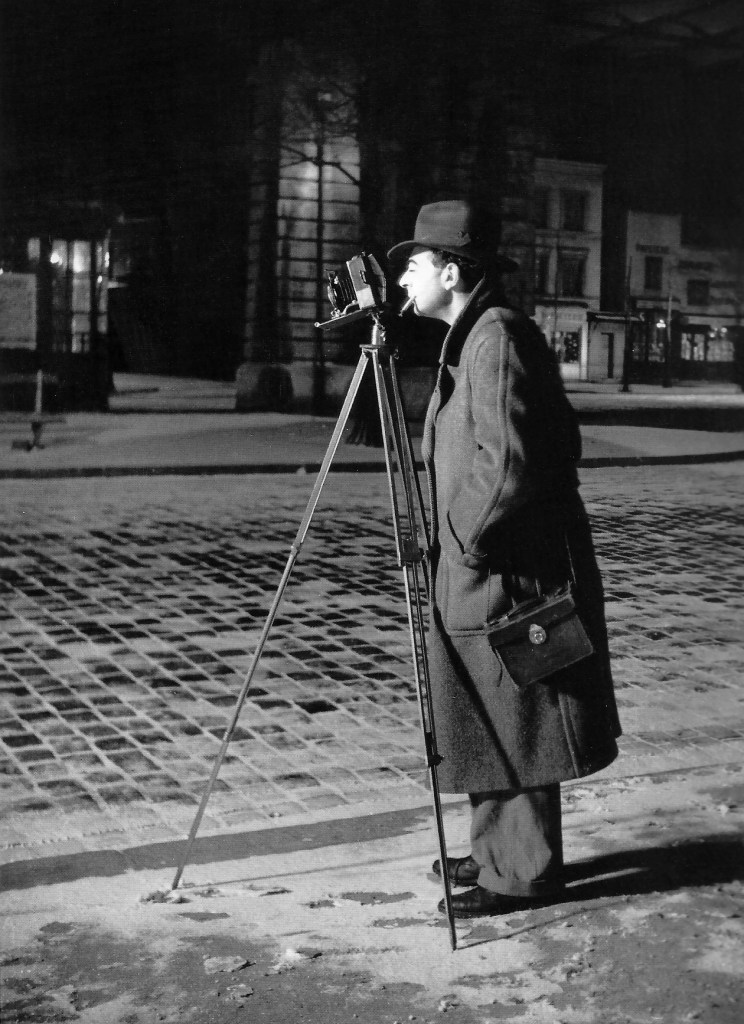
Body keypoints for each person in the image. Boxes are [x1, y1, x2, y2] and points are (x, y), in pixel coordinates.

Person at [387, 200, 621, 918]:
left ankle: (520, 870)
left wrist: (463, 542)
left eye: (414, 266)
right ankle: (496, 848)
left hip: (500, 567)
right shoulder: (473, 336)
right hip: (485, 563)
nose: (402, 281)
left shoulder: (495, 338)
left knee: (515, 712)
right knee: (483, 707)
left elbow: (510, 461)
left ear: (452, 271)